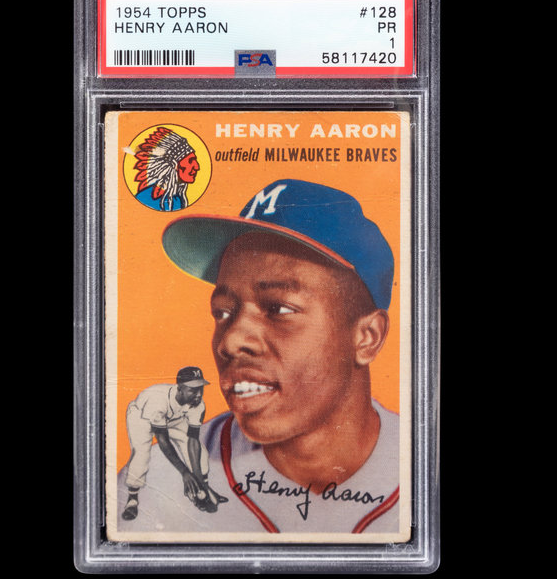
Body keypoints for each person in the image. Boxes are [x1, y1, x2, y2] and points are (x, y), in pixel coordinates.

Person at [151, 178, 404, 535]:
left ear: (367, 337)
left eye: (279, 308)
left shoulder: (423, 468)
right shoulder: (162, 480)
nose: (231, 341)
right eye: (222, 312)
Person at [121, 366, 227, 521]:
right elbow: (163, 441)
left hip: (173, 417)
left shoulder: (198, 404)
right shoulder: (158, 400)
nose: (198, 394)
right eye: (193, 390)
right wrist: (184, 472)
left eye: (200, 388)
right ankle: (132, 498)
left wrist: (197, 477)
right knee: (141, 454)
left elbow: (192, 440)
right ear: (180, 388)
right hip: (141, 416)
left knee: (200, 451)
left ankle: (202, 488)